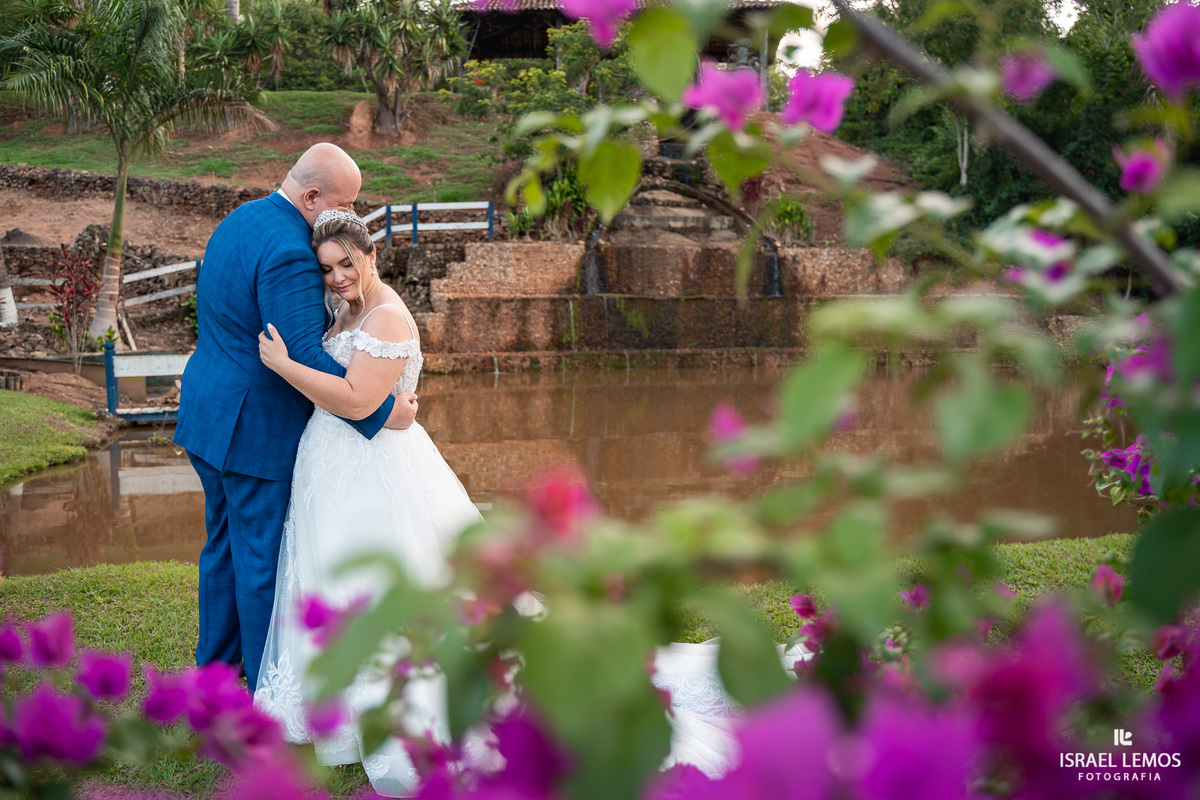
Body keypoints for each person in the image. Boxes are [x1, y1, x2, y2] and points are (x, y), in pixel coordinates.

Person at [254, 209, 482, 796]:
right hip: (332, 466)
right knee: (333, 579)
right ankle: (341, 712)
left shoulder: (385, 317)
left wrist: (285, 366)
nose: (336, 277)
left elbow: (358, 402)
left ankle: (392, 707)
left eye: (345, 264)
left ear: (371, 255)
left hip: (372, 469)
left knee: (374, 581)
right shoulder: (348, 311)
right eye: (327, 268)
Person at [175, 144, 418, 693]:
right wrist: (382, 409)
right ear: (312, 197)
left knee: (223, 548)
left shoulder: (243, 218)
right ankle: (267, 686)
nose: (352, 216)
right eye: (345, 203)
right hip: (251, 428)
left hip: (210, 414)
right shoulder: (290, 250)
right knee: (259, 559)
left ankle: (214, 671)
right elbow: (301, 352)